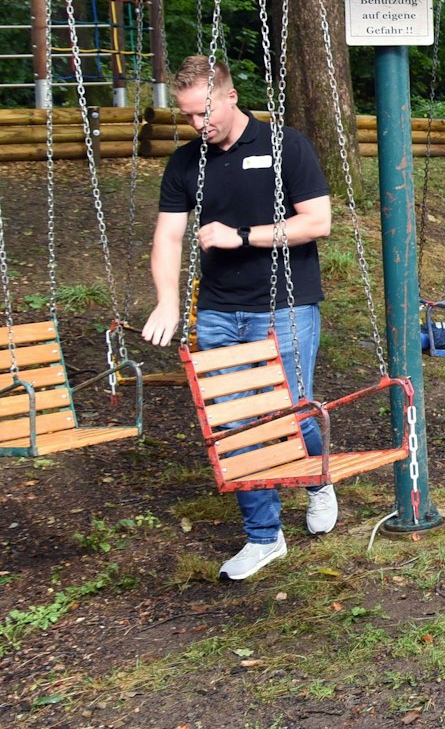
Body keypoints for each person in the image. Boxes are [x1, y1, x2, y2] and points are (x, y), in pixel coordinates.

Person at [140, 55, 334, 582]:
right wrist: (165, 300)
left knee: (290, 414)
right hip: (220, 313)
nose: (198, 125)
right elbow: (168, 236)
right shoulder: (186, 162)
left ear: (229, 96)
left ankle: (318, 479)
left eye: (204, 112)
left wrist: (243, 236)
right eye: (187, 116)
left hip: (286, 303)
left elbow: (318, 222)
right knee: (234, 426)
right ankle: (264, 537)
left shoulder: (285, 145)